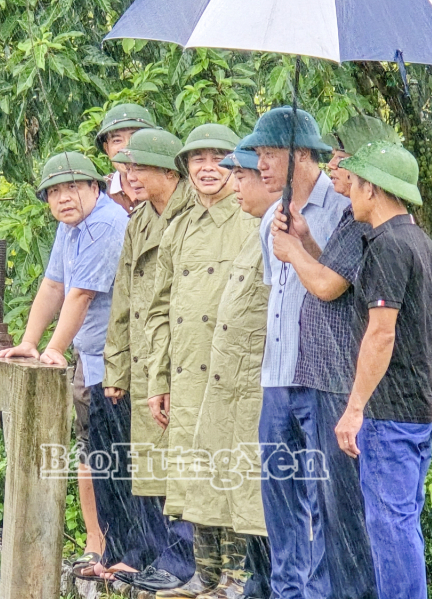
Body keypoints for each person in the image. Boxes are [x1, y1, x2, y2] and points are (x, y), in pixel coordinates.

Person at [270, 116, 395, 599]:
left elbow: (324, 285)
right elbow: (334, 272)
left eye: (343, 158)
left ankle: (345, 591)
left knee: (339, 506)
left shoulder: (365, 225)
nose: (334, 167)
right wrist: (304, 240)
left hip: (339, 377)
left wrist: (290, 251)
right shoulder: (351, 222)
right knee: (324, 500)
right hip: (323, 374)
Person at [333, 140, 432, 599]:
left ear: (372, 188)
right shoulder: (423, 244)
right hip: (418, 412)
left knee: (391, 530)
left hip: (389, 417)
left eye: (354, 182)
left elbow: (381, 334)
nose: (348, 190)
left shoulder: (387, 247)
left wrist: (354, 409)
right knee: (402, 525)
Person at [0, 151, 129, 580]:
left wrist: (54, 348)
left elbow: (83, 294)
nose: (64, 198)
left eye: (73, 187)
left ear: (96, 187)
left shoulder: (105, 224)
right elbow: (54, 285)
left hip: (119, 361)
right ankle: (101, 548)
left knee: (119, 458)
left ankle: (126, 552)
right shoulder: (70, 228)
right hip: (89, 358)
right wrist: (30, 343)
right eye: (54, 192)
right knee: (93, 454)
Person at [142, 124, 259, 597]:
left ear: (236, 166)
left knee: (232, 471)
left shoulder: (253, 221)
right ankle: (204, 574)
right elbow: (158, 310)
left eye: (219, 158)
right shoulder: (177, 229)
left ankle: (237, 577)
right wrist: (157, 379)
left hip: (234, 371)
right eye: (198, 159)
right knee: (192, 471)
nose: (208, 168)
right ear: (185, 168)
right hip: (187, 372)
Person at [246, 106, 344, 599]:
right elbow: (276, 293)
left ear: (300, 154)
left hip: (324, 376)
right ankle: (287, 590)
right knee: (279, 496)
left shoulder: (343, 209)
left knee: (324, 495)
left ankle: (321, 591)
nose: (260, 165)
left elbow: (342, 287)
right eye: (258, 155)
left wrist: (303, 244)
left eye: (268, 154)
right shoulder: (269, 218)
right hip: (276, 376)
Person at [180, 144, 279, 599]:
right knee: (208, 474)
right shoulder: (255, 228)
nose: (233, 184)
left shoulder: (272, 229)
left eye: (241, 176)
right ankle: (209, 575)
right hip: (217, 374)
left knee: (244, 482)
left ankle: (240, 580)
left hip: (254, 379)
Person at [98, 128, 197, 585]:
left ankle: (182, 562)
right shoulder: (139, 220)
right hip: (140, 360)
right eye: (126, 167)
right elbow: (124, 299)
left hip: (176, 360)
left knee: (177, 466)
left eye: (140, 168)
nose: (129, 176)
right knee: (146, 465)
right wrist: (115, 366)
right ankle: (157, 557)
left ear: (166, 169)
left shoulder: (191, 214)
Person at [95, 103, 155, 212]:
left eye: (135, 137)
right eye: (117, 140)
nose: (126, 147)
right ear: (107, 149)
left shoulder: (166, 184)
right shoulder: (98, 192)